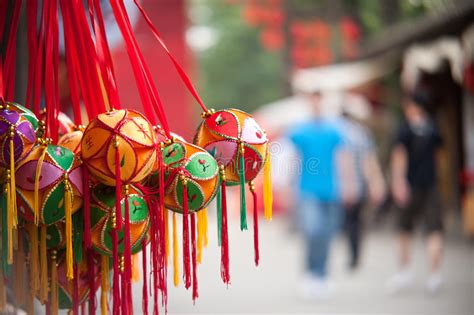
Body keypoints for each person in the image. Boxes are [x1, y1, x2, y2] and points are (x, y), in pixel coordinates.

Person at [288, 91, 354, 299]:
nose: (316, 106)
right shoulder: (300, 132)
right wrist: (287, 186)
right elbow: (293, 159)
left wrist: (348, 184)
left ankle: (322, 275)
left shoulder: (334, 131)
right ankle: (310, 273)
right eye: (313, 102)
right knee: (312, 230)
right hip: (307, 190)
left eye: (319, 102)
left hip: (331, 190)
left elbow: (343, 158)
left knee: (327, 234)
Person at [387, 90, 444, 294]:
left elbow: (399, 157)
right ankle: (434, 275)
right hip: (431, 185)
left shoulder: (405, 130)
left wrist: (398, 182)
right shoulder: (433, 129)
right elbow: (439, 157)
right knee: (434, 230)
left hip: (410, 186)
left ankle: (404, 271)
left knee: (403, 230)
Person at [336, 95, 385, 270]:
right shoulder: (362, 133)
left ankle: (350, 255)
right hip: (359, 185)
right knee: (356, 222)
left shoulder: (336, 132)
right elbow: (370, 161)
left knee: (347, 222)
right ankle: (354, 255)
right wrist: (375, 182)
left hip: (340, 187)